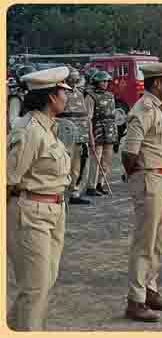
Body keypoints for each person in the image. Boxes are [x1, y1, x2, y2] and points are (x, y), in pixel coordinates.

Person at [7, 67, 73, 331]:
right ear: (50, 97)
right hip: (30, 213)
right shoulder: (29, 131)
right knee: (35, 288)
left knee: (43, 284)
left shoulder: (48, 127)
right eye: (63, 92)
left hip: (52, 210)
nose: (67, 97)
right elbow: (8, 178)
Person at [119, 61, 162, 322]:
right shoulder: (143, 109)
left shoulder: (161, 109)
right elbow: (129, 153)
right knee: (144, 243)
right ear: (157, 83)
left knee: (157, 242)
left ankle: (150, 290)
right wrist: (141, 174)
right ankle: (135, 300)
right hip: (150, 180)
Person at [60, 68, 94, 206]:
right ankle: (61, 193)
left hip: (81, 135)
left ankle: (74, 192)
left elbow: (86, 117)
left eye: (76, 78)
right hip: (66, 136)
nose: (74, 81)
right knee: (64, 166)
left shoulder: (80, 93)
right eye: (71, 78)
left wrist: (90, 137)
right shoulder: (61, 93)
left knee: (77, 167)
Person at [83, 70, 119, 196]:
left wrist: (116, 135)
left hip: (110, 131)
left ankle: (100, 184)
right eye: (102, 81)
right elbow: (88, 118)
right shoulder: (90, 96)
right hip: (97, 130)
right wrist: (90, 137)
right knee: (95, 159)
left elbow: (113, 116)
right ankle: (91, 186)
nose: (105, 83)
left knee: (107, 160)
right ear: (96, 82)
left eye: (106, 81)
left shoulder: (110, 95)